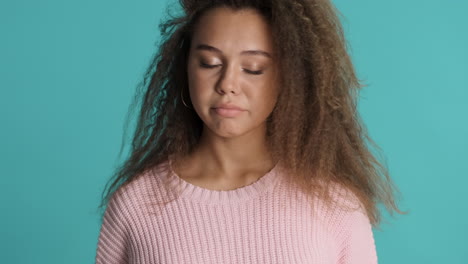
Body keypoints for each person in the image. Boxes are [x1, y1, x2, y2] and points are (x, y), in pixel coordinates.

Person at [95, 0, 406, 263]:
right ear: (185, 66)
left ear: (288, 75)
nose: (227, 84)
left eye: (253, 68)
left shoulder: (334, 206)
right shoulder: (136, 206)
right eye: (209, 63)